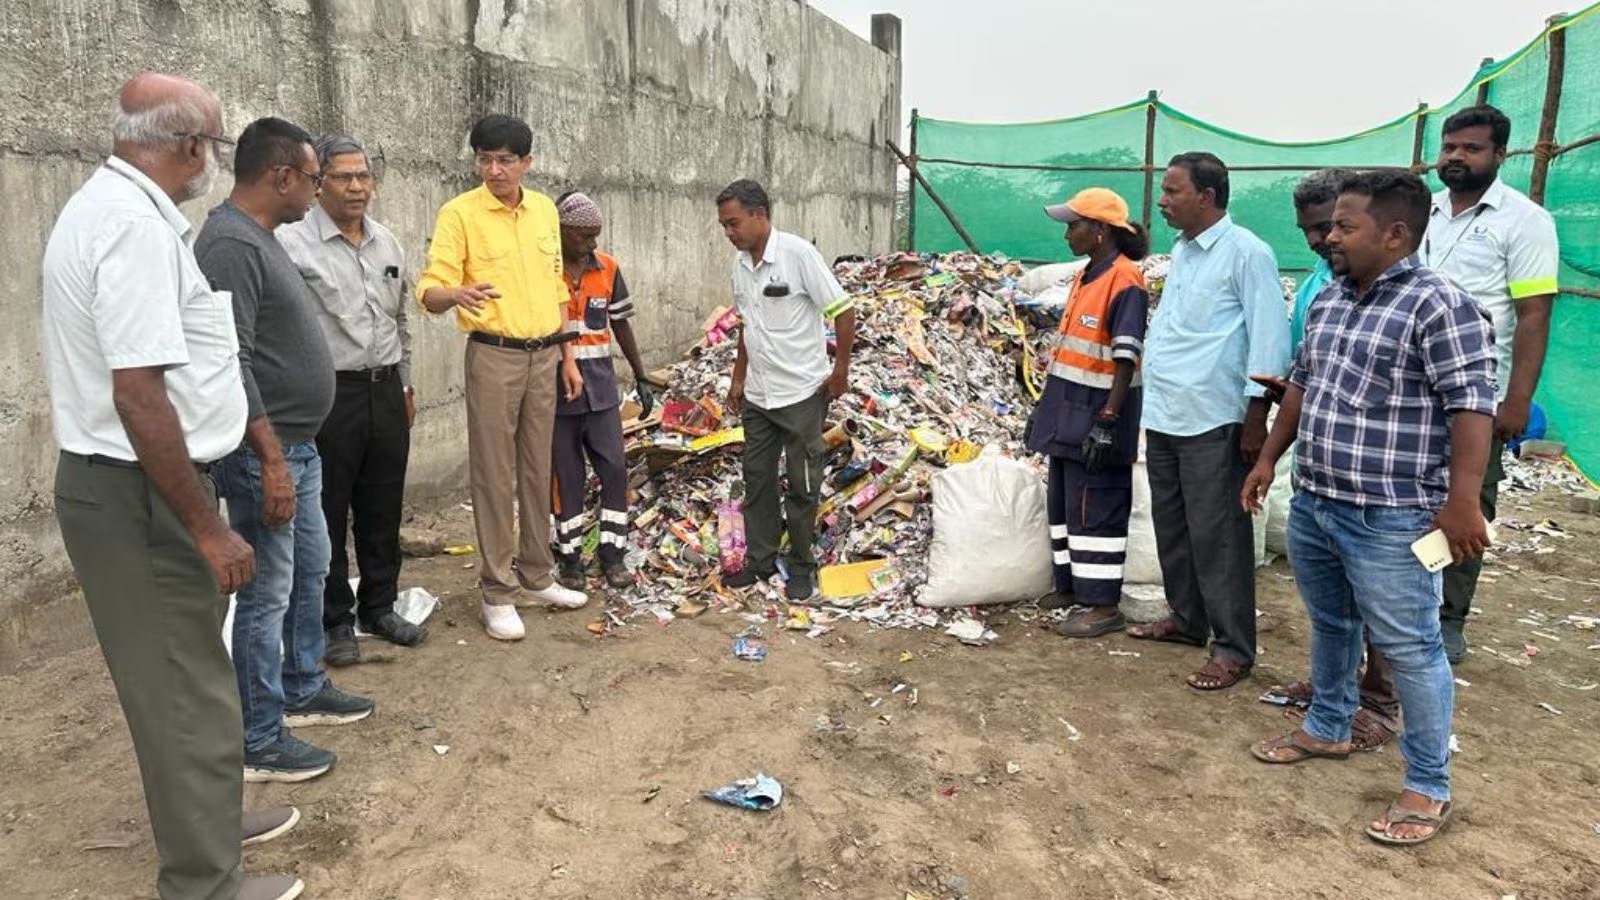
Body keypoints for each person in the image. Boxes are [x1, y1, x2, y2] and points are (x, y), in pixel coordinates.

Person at [42, 72, 303, 900]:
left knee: (192, 670)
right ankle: (204, 881)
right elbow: (138, 391)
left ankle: (208, 820)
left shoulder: (117, 210)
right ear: (191, 145)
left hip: (139, 486)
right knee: (182, 686)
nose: (209, 163)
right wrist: (205, 525)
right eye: (211, 146)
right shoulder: (133, 229)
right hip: (138, 493)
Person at [1242, 169, 1494, 847]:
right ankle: (1327, 727)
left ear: (1396, 233)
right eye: (1329, 227)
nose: (1328, 238)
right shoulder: (1329, 301)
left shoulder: (1439, 305)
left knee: (1411, 649)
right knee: (1329, 625)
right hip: (1319, 501)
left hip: (1393, 514)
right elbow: (1302, 386)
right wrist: (1268, 459)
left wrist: (1463, 502)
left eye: (1343, 227)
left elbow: (1472, 404)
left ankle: (1427, 785)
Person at [197, 117, 374, 785]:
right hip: (264, 454)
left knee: (309, 571)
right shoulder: (230, 247)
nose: (318, 188)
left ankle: (301, 686)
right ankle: (259, 736)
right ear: (281, 177)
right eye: (311, 176)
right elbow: (229, 361)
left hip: (298, 447)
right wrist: (269, 456)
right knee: (266, 592)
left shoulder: (262, 238)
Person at [417, 114, 587, 641]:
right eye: (484, 159)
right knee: (494, 475)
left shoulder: (541, 212)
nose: (493, 170)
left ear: (526, 164)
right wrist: (457, 294)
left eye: (504, 160)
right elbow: (428, 290)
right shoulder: (459, 214)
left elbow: (557, 287)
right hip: (493, 356)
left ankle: (537, 576)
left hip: (544, 357)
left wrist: (568, 356)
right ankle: (497, 591)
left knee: (539, 468)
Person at [1126, 152, 1290, 691]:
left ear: (1207, 196)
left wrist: (1255, 417)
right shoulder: (1182, 251)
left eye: (1172, 191)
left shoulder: (1247, 254)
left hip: (1215, 417)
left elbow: (1269, 340)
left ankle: (1234, 647)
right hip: (1169, 410)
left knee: (1218, 536)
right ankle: (1188, 619)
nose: (1162, 200)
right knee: (1173, 527)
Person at [1257, 169, 1399, 751]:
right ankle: (1336, 694)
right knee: (1334, 601)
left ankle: (1382, 700)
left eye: (1332, 227)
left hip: (1378, 474)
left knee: (1384, 599)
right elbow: (1315, 370)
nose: (1322, 240)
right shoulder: (1327, 282)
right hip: (1323, 456)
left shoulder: (1402, 290)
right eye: (1314, 230)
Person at [279, 134, 423, 667]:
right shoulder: (293, 244)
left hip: (385, 389)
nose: (357, 187)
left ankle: (378, 606)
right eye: (343, 176)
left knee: (382, 505)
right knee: (326, 510)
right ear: (319, 185)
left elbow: (400, 322)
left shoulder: (387, 242)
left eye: (364, 176)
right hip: (330, 395)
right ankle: (334, 618)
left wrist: (405, 385)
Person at [1423, 105, 1559, 664]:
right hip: (1412, 393)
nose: (1456, 156)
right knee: (1410, 501)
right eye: (1450, 146)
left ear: (1500, 154)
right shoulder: (1421, 211)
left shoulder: (1523, 222)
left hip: (1476, 396)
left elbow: (1532, 314)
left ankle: (1448, 617)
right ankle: (1404, 606)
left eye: (1471, 148)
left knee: (1467, 503)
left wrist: (1517, 399)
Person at [716, 179, 856, 602]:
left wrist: (840, 371)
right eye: (724, 226)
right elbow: (747, 325)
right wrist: (738, 379)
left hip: (799, 394)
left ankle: (801, 565)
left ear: (760, 215)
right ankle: (759, 562)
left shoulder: (798, 255)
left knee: (801, 482)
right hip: (759, 396)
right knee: (757, 479)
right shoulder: (741, 265)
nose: (729, 233)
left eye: (734, 223)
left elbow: (843, 310)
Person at [1027, 187, 1150, 638]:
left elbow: (1125, 356)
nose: (1066, 235)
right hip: (1066, 408)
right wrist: (1045, 409)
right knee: (1062, 501)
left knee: (1094, 506)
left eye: (1073, 225)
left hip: (1099, 415)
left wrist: (1108, 419)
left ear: (1100, 231)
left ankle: (1101, 605)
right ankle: (1071, 585)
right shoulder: (1086, 275)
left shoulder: (1126, 281)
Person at [550, 191, 653, 590]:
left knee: (613, 470)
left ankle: (612, 555)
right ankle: (571, 559)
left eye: (595, 235)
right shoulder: (546, 272)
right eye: (583, 236)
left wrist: (641, 376)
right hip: (559, 392)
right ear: (561, 232)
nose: (592, 243)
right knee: (566, 476)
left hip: (601, 390)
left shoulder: (607, 268)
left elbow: (621, 325)